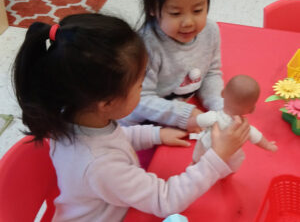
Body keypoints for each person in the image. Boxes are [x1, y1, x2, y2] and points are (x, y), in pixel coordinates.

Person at [13, 13, 250, 221]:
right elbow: (164, 200)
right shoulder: (101, 165)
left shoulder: (73, 114)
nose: (142, 90)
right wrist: (217, 157)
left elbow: (115, 137)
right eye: (138, 85)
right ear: (106, 103)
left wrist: (155, 134)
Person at [119, 0, 224, 132]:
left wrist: (218, 104)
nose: (188, 22)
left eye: (198, 10)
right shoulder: (145, 46)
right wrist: (184, 114)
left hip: (182, 119)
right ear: (152, 8)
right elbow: (140, 100)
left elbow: (211, 73)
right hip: (142, 128)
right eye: (175, 13)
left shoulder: (210, 31)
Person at [192, 74, 278, 167]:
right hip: (229, 154)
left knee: (198, 157)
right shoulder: (243, 127)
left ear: (222, 93)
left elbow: (194, 121)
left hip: (206, 147)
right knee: (232, 164)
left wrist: (187, 125)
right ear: (252, 109)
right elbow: (257, 138)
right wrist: (268, 145)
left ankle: (195, 163)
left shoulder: (212, 116)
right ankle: (227, 175)